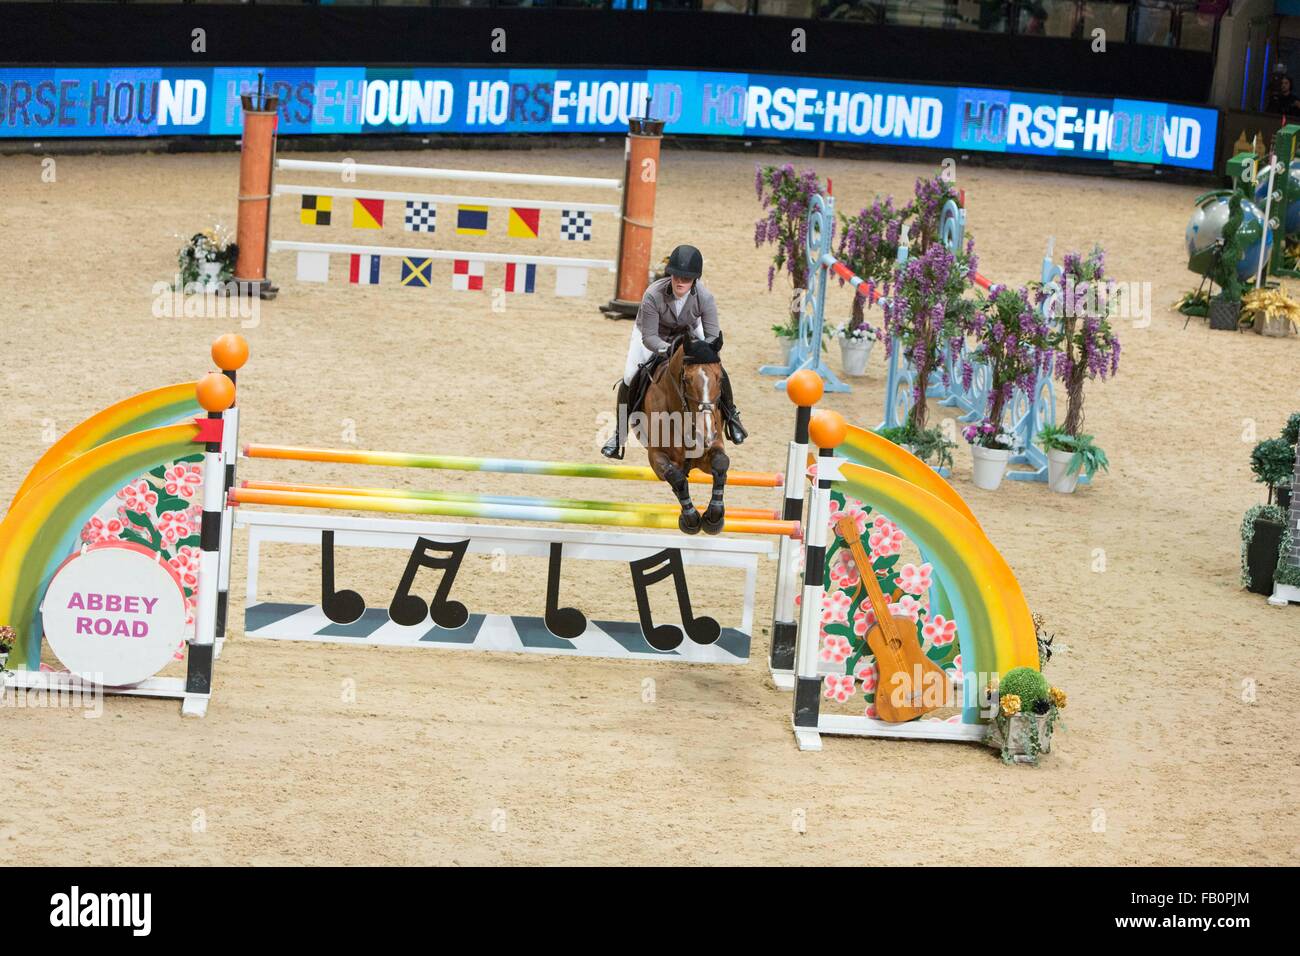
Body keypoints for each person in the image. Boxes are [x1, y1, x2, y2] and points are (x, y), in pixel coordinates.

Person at [601, 244, 747, 460]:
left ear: (695, 280)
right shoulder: (653, 294)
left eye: (686, 279)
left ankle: (732, 417)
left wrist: (702, 353)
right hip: (652, 336)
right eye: (676, 276)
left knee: (717, 371)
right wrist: (670, 351)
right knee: (630, 376)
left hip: (688, 334)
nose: (680, 281)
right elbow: (649, 337)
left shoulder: (704, 297)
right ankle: (619, 434)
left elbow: (713, 335)